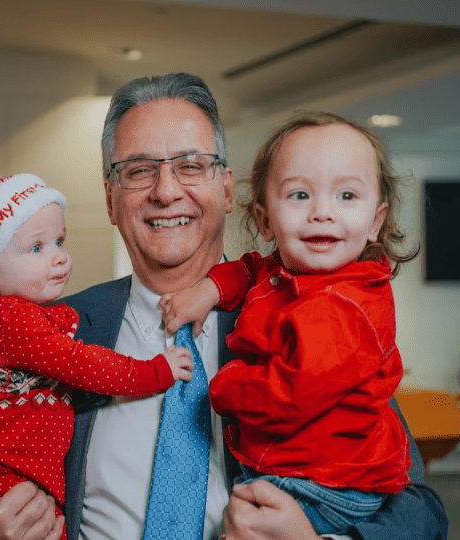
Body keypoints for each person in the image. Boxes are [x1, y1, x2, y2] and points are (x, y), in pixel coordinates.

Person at [0, 73, 448, 540]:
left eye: (190, 166)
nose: (165, 191)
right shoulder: (54, 331)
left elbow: (421, 514)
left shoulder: (304, 316)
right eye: (138, 171)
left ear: (226, 189)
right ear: (111, 198)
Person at [159, 112, 419, 535]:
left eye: (347, 196)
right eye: (299, 195)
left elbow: (289, 395)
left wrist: (224, 386)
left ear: (376, 220)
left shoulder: (346, 306)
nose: (322, 212)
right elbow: (249, 269)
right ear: (264, 219)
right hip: (296, 470)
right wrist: (208, 290)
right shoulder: (285, 271)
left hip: (324, 485)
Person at [0, 170, 193, 540]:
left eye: (60, 241)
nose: (59, 258)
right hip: (8, 483)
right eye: (37, 248)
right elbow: (83, 364)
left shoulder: (16, 318)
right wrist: (156, 372)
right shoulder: (14, 320)